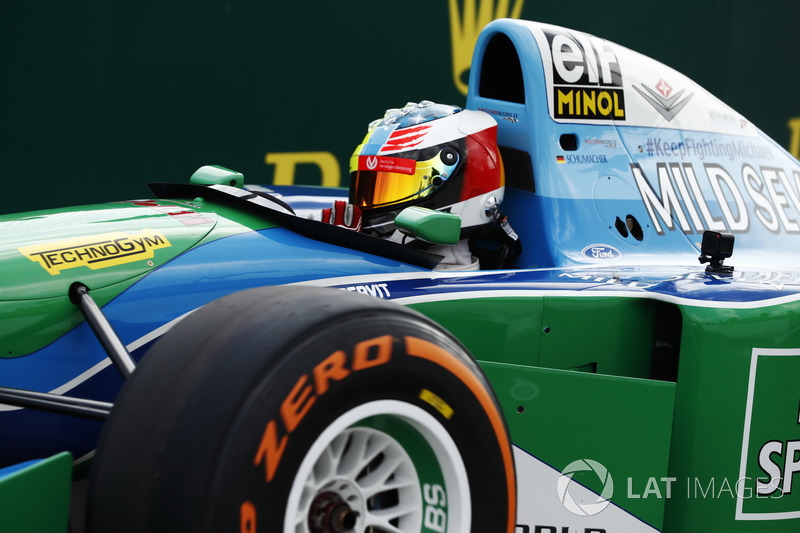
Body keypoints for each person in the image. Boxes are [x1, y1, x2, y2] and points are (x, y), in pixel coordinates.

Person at [323, 100, 520, 270]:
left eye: (396, 185)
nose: (370, 207)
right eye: (371, 187)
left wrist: (352, 263)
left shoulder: (446, 287)